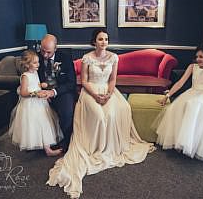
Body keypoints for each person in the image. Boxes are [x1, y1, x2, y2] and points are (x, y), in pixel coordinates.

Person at [46, 29, 155, 198]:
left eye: (106, 39)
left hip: (108, 90)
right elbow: (83, 81)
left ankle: (110, 147)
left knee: (120, 110)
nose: (104, 42)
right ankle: (94, 147)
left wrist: (109, 94)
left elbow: (112, 79)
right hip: (90, 91)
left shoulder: (113, 57)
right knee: (99, 116)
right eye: (100, 39)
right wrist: (96, 95)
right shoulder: (87, 58)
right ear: (94, 42)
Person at [151, 43, 203, 162]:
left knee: (194, 106)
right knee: (175, 107)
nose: (198, 59)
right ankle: (178, 141)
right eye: (197, 57)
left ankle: (191, 144)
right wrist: (167, 96)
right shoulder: (192, 67)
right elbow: (180, 83)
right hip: (192, 92)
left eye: (202, 57)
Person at [8, 50, 64, 156]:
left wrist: (41, 86)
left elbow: (36, 85)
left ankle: (46, 147)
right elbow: (23, 92)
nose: (38, 64)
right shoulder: (25, 76)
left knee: (45, 123)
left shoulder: (35, 73)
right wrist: (35, 94)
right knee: (35, 125)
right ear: (27, 64)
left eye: (38, 62)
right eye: (35, 63)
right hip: (30, 104)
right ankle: (46, 149)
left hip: (40, 103)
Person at [37, 34, 77, 153]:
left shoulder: (65, 58)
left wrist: (53, 92)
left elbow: (71, 83)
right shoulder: (36, 57)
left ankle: (66, 142)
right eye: (42, 51)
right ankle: (41, 142)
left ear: (55, 48)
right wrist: (42, 92)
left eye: (48, 52)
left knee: (66, 112)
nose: (44, 55)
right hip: (41, 91)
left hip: (61, 91)